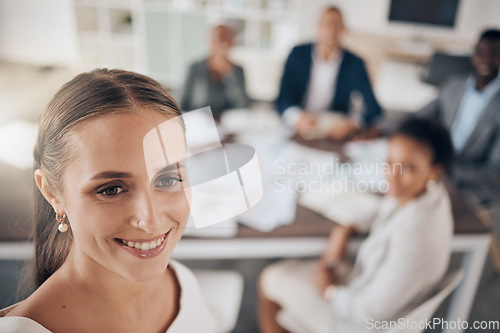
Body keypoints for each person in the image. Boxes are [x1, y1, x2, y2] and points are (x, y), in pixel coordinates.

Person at [0, 69, 217, 332]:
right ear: (52, 193)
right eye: (112, 189)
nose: (150, 220)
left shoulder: (183, 283)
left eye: (168, 180)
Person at [258, 117, 455, 332]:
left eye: (407, 168)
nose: (392, 175)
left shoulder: (417, 236)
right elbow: (384, 208)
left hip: (362, 321)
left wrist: (329, 290)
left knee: (269, 280)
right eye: (389, 162)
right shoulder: (427, 192)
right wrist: (346, 229)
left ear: (435, 170)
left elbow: (368, 312)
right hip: (366, 289)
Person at [415, 29, 500, 208]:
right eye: (481, 53)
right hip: (435, 165)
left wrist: (450, 172)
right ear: (472, 55)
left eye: (495, 55)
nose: (486, 60)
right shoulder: (453, 86)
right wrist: (379, 128)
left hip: (472, 184)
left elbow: (495, 171)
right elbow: (417, 117)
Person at [276, 6, 382, 141]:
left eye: (336, 24)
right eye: (326, 23)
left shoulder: (356, 63)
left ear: (344, 28)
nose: (331, 29)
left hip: (335, 129)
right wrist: (297, 117)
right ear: (317, 27)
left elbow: (374, 108)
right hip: (301, 123)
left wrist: (352, 123)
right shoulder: (297, 54)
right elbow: (283, 98)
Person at [181, 24, 250, 119]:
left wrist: (229, 74)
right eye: (217, 39)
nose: (221, 44)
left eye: (225, 38)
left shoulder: (238, 71)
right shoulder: (195, 68)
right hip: (198, 122)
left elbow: (242, 105)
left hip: (226, 125)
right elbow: (180, 102)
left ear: (232, 42)